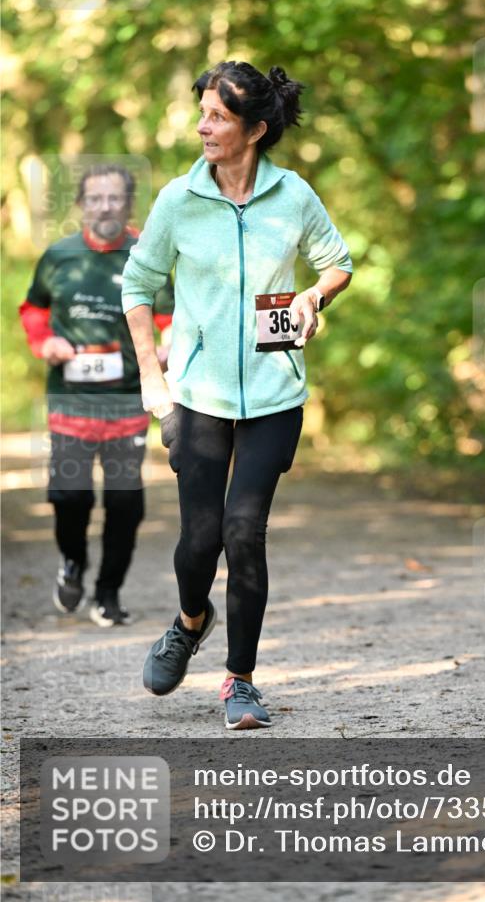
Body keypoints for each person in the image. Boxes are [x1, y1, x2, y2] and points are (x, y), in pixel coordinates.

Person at [121, 61, 353, 729]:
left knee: (243, 533)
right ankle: (191, 620)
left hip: (275, 393)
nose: (203, 126)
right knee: (200, 540)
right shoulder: (177, 200)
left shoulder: (293, 196)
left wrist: (313, 294)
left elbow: (337, 261)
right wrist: (151, 376)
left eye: (218, 117)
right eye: (202, 113)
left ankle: (240, 682)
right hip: (195, 394)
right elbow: (137, 287)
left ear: (254, 129)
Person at [19, 165, 174, 626]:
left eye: (114, 198)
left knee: (125, 502)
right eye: (95, 198)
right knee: (70, 496)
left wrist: (166, 347)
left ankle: (108, 592)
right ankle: (73, 564)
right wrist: (44, 343)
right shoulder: (60, 255)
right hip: (70, 402)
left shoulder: (145, 254)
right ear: (81, 205)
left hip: (126, 401)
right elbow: (34, 309)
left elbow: (167, 314)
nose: (104, 206)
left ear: (128, 204)